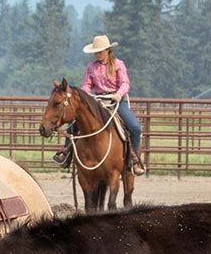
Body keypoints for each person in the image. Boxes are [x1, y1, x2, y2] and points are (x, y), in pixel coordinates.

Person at [54, 34, 146, 175]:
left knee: (135, 128)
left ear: (108, 50)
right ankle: (66, 154)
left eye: (100, 51)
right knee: (74, 124)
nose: (97, 54)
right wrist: (86, 98)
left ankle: (134, 160)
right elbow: (86, 84)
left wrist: (119, 94)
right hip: (97, 101)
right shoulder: (91, 67)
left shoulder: (118, 64)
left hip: (115, 101)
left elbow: (125, 83)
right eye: (96, 52)